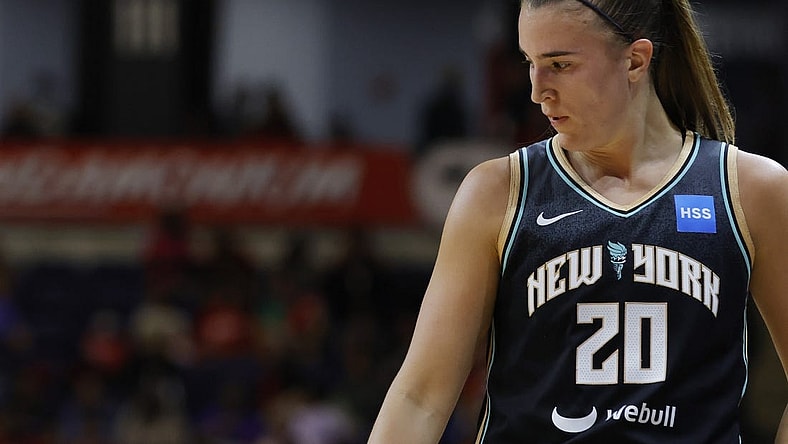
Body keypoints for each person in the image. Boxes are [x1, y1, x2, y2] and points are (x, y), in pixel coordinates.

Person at [368, 0, 788, 442]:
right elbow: (420, 397)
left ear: (635, 60)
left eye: (560, 65)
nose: (537, 91)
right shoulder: (497, 192)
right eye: (529, 62)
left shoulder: (748, 189)